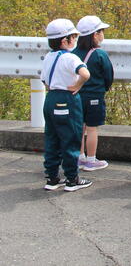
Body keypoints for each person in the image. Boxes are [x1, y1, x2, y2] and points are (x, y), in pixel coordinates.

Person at [41, 19, 93, 191]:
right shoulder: (70, 57)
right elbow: (85, 74)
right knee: (70, 138)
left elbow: (44, 81)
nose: (76, 39)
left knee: (52, 139)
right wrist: (77, 85)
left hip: (50, 98)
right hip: (67, 99)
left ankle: (52, 178)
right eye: (74, 36)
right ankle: (72, 179)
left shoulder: (48, 57)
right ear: (65, 40)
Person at [74, 15, 113, 172]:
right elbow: (108, 76)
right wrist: (104, 88)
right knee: (92, 128)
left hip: (77, 95)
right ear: (95, 34)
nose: (103, 34)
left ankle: (79, 157)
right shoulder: (99, 54)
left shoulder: (73, 53)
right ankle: (91, 160)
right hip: (94, 96)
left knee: (79, 127)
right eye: (101, 31)